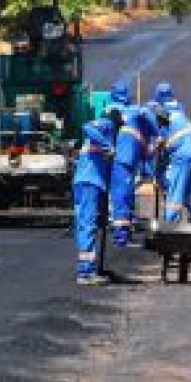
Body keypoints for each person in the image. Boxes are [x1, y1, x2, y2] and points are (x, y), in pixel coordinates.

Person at [149, 101, 191, 225]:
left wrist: (158, 176)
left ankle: (171, 222)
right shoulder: (183, 119)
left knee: (176, 191)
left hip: (182, 157)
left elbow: (161, 156)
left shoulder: (163, 127)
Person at [73, 117, 118, 285]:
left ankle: (87, 268)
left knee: (87, 225)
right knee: (87, 225)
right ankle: (86, 272)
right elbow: (87, 126)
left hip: (90, 183)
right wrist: (108, 146)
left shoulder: (109, 134)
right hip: (89, 183)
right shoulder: (107, 124)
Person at [110, 105, 159, 247]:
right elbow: (145, 113)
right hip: (123, 165)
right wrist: (158, 134)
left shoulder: (138, 129)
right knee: (122, 200)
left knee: (128, 200)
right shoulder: (138, 117)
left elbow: (146, 156)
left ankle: (125, 236)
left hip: (128, 167)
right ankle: (121, 240)